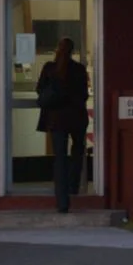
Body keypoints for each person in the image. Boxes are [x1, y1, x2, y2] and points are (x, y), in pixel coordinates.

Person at [35, 37, 90, 213]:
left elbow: (40, 90)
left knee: (59, 157)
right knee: (78, 150)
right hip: (76, 119)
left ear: (57, 50)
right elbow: (83, 95)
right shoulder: (79, 70)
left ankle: (62, 201)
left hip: (56, 120)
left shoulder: (49, 69)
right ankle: (73, 186)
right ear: (72, 51)